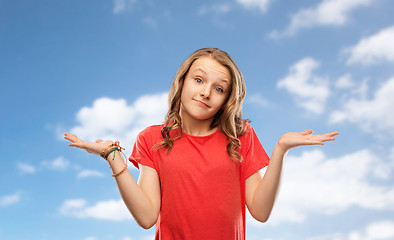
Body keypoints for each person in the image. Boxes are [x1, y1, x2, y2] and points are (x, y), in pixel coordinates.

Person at [64, 48, 338, 240]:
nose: (206, 92)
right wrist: (113, 157)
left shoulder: (240, 136)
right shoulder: (152, 138)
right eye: (198, 80)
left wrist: (280, 150)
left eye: (219, 88)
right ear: (182, 82)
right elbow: (147, 217)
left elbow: (261, 211)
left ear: (227, 99)